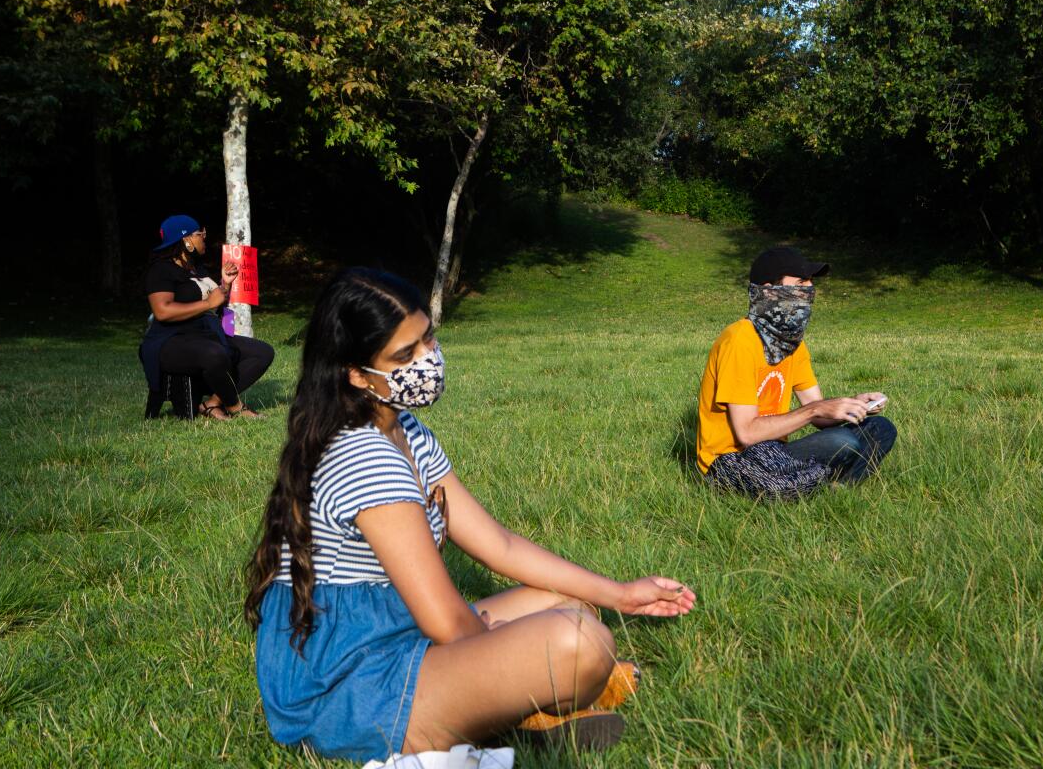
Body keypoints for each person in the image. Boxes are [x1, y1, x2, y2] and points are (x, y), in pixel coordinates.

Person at [244, 268, 696, 762]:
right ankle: (510, 713)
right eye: (404, 355)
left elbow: (497, 544)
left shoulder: (406, 430)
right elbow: (447, 624)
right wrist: (504, 649)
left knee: (573, 605)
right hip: (352, 689)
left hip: (400, 640)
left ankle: (512, 715)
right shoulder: (365, 457)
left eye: (427, 340)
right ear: (355, 374)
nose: (427, 361)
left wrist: (621, 594)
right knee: (579, 640)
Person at [696, 246, 896, 497]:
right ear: (770, 291)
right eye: (801, 282)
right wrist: (816, 410)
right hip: (730, 459)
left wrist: (851, 406)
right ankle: (816, 480)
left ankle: (837, 491)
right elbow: (746, 434)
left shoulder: (792, 343)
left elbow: (818, 411)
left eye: (811, 282)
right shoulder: (739, 341)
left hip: (773, 450)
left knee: (880, 429)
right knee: (844, 444)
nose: (810, 289)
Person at [140, 214, 274, 419]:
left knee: (262, 352)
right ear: (186, 240)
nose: (204, 237)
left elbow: (214, 304)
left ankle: (212, 403)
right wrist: (208, 303)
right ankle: (235, 406)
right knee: (215, 353)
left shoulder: (196, 268)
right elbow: (162, 311)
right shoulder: (161, 270)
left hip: (205, 335)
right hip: (170, 341)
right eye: (199, 233)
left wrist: (225, 285)